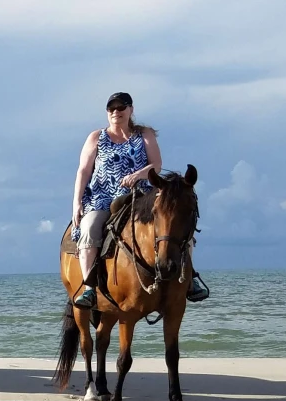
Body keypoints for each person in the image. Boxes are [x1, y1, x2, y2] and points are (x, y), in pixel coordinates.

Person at [71, 92, 209, 309]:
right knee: (89, 229)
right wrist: (77, 203)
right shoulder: (96, 137)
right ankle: (89, 289)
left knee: (175, 226)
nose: (116, 112)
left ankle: (189, 279)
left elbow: (156, 164)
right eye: (111, 108)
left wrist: (138, 175)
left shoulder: (144, 134)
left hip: (142, 195)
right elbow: (83, 171)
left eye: (121, 107)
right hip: (102, 196)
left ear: (130, 110)